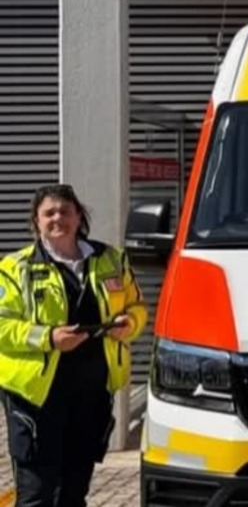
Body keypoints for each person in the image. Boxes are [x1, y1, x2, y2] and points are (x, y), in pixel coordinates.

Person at [0, 184, 148, 506]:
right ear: (36, 221)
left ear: (79, 215)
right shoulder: (14, 269)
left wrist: (129, 325)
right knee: (37, 494)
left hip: (90, 393)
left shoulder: (111, 259)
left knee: (74, 491)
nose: (58, 218)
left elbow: (137, 307)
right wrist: (49, 338)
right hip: (35, 399)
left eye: (65, 211)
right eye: (49, 213)